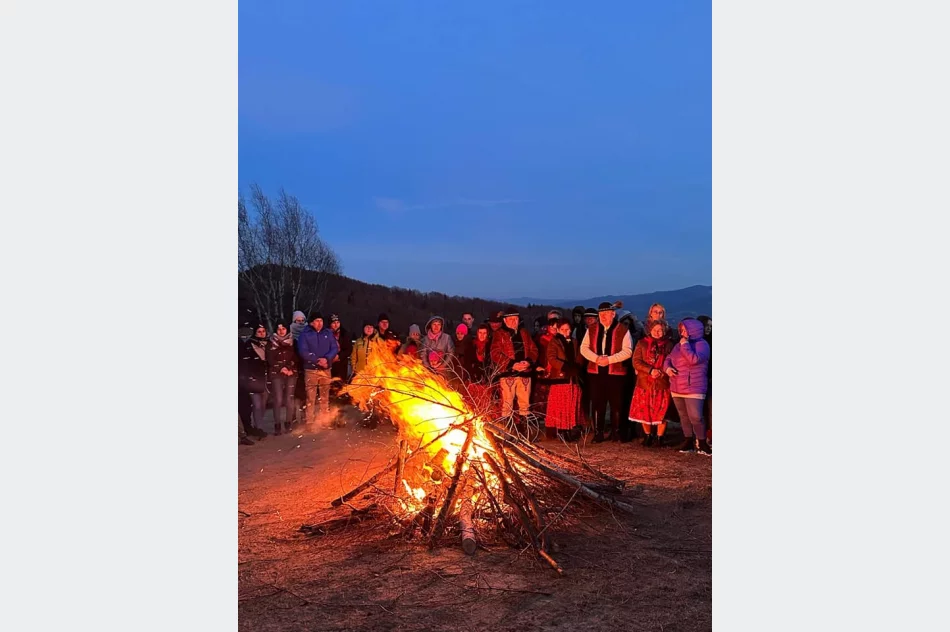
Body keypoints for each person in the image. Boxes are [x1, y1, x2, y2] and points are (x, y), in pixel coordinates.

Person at [580, 303, 633, 443]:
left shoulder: (623, 329)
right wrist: (596, 359)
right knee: (598, 402)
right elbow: (583, 348)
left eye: (606, 313)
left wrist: (609, 360)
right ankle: (598, 433)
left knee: (617, 403)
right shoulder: (591, 329)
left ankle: (617, 433)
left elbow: (628, 351)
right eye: (601, 314)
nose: (603, 317)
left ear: (613, 314)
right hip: (596, 372)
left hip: (616, 373)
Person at [664, 318, 711, 455]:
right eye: (682, 330)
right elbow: (668, 359)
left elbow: (694, 360)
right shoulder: (678, 345)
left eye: (686, 330)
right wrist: (667, 369)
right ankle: (688, 440)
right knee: (683, 416)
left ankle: (702, 442)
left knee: (696, 416)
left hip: (694, 386)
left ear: (693, 330)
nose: (683, 333)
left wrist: (685, 345)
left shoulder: (702, 345)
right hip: (677, 385)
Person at [490, 307, 539, 426]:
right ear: (505, 320)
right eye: (510, 319)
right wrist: (511, 364)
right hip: (508, 374)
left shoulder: (524, 333)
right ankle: (508, 434)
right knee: (507, 405)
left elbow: (534, 349)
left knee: (525, 404)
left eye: (515, 319)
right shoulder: (499, 334)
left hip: (525, 373)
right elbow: (494, 353)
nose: (513, 322)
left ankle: (523, 434)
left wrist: (528, 361)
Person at [629, 320, 674, 447]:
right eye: (655, 330)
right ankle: (648, 435)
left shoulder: (669, 345)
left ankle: (660, 437)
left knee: (662, 411)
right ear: (650, 330)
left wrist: (661, 372)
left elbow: (672, 361)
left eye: (660, 330)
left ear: (664, 331)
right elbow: (636, 361)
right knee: (645, 410)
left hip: (662, 383)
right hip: (645, 382)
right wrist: (650, 370)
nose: (657, 332)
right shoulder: (642, 343)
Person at [297, 313, 339, 428]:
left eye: (321, 320)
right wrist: (316, 360)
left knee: (324, 396)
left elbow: (334, 347)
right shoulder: (305, 334)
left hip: (326, 369)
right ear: (311, 322)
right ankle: (310, 421)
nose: (319, 323)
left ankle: (324, 420)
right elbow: (303, 351)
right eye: (316, 320)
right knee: (311, 397)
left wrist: (327, 358)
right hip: (311, 369)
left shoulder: (328, 333)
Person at [544, 319, 584, 441]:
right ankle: (561, 429)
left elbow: (580, 356)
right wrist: (565, 367)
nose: (565, 332)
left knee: (572, 403)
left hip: (573, 377)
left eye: (567, 329)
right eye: (563, 330)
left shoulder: (575, 342)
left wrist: (577, 366)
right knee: (560, 405)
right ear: (558, 330)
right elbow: (551, 358)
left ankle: (572, 428)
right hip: (560, 378)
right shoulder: (554, 342)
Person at [267, 320, 298, 435]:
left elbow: (295, 357)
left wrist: (290, 368)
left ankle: (288, 423)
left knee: (289, 398)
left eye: (283, 328)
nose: (281, 331)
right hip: (276, 373)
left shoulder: (292, 342)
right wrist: (281, 368)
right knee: (278, 399)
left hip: (291, 373)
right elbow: (270, 358)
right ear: (276, 331)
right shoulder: (271, 343)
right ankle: (277, 425)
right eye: (279, 329)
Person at [241, 324, 271, 437]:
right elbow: (246, 363)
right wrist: (249, 377)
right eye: (259, 331)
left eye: (263, 331)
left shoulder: (268, 344)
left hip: (266, 379)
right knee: (257, 405)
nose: (262, 333)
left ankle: (259, 426)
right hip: (254, 379)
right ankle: (259, 429)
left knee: (263, 405)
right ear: (255, 333)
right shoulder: (249, 345)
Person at [328, 314, 352, 400]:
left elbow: (348, 349)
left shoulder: (345, 334)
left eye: (338, 322)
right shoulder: (326, 334)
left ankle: (340, 405)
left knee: (341, 386)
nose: (336, 324)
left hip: (341, 363)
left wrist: (339, 356)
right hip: (329, 364)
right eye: (334, 323)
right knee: (329, 386)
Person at [696, 315, 712, 444]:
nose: (708, 329)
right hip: (698, 381)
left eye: (710, 327)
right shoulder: (696, 343)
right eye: (706, 326)